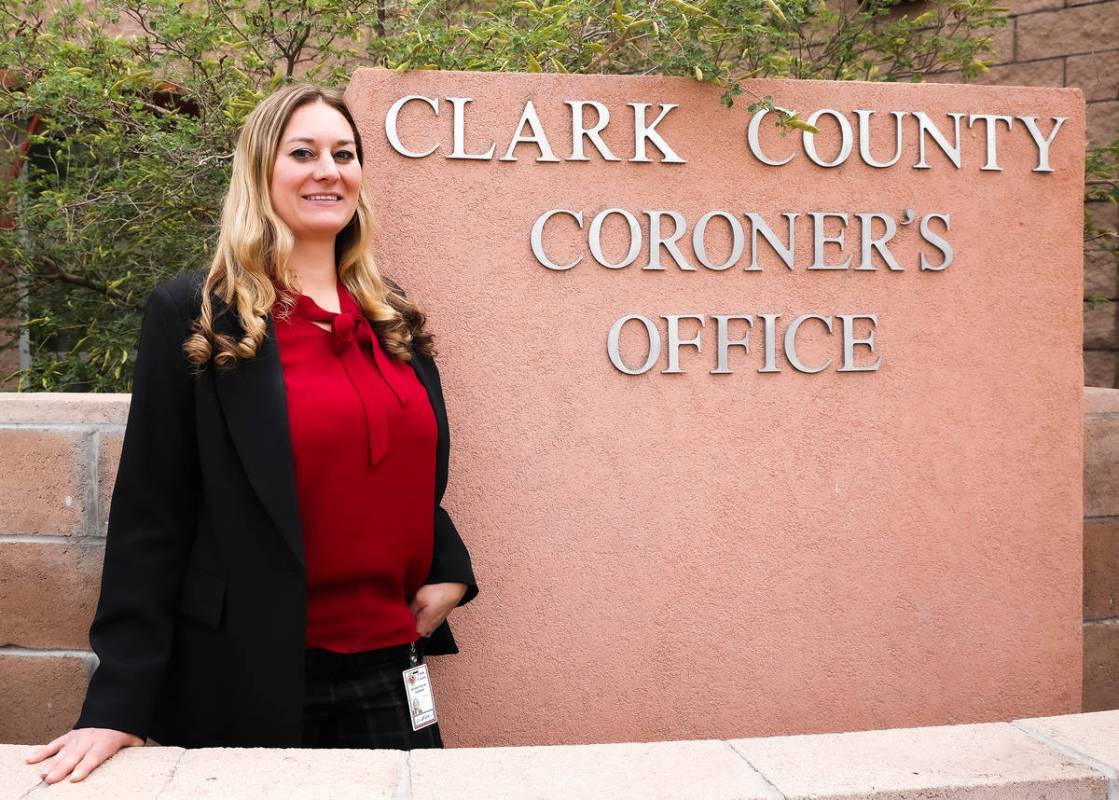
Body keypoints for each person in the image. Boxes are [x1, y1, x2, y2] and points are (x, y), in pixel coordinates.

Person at [25, 82, 478, 784]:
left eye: (343, 153)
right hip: (247, 666)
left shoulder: (391, 317)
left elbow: (409, 466)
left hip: (390, 662)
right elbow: (152, 513)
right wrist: (118, 701)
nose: (328, 170)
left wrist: (448, 564)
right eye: (302, 153)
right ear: (261, 172)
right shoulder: (198, 314)